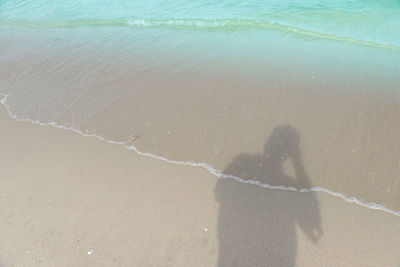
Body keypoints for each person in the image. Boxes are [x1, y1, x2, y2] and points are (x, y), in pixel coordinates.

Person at [215, 125, 322, 266]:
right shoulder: (288, 187)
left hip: (237, 256)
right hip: (266, 258)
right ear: (290, 153)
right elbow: (312, 220)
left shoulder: (242, 164)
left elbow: (219, 192)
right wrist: (298, 163)